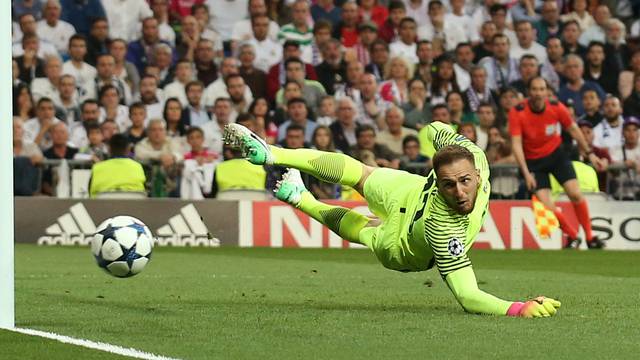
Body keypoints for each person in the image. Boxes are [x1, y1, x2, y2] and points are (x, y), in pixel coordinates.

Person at [222, 119, 562, 318]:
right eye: (448, 184)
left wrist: (433, 129)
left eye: (464, 181)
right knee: (364, 201)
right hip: (409, 218)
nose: (459, 192)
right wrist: (519, 309)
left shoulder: (470, 161)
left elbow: (435, 130)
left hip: (407, 218)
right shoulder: (446, 227)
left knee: (366, 199)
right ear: (438, 181)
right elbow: (469, 296)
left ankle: (286, 174)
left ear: (477, 171)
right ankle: (285, 174)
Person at [509, 76, 606, 249]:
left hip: (556, 156)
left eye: (541, 89)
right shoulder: (518, 111)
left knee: (575, 194)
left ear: (546, 92)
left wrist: (589, 153)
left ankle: (590, 237)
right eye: (535, 89)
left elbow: (574, 130)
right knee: (546, 204)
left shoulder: (556, 107)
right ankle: (572, 235)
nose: (538, 93)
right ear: (529, 92)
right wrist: (526, 173)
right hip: (533, 162)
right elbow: (516, 144)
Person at [89, 134, 146, 198]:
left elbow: (90, 194)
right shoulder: (138, 167)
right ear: (128, 148)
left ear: (109, 149)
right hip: (133, 207)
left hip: (102, 207)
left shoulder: (97, 168)